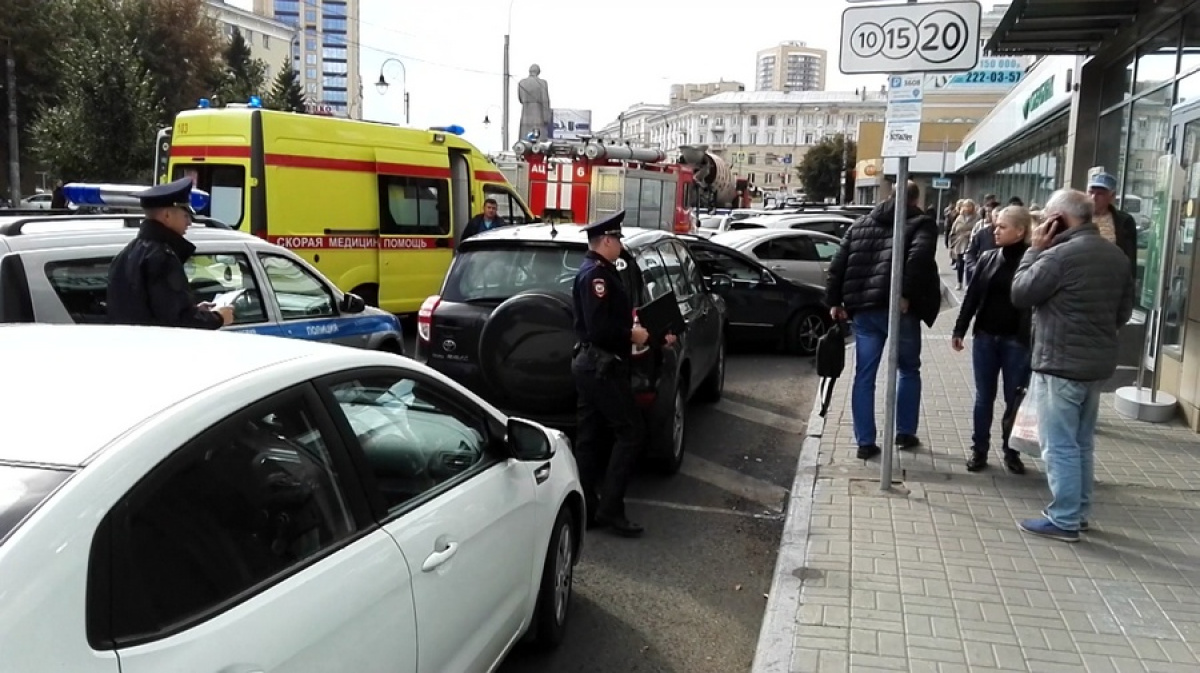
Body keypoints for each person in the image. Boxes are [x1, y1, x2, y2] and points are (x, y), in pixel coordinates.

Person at [1011, 189, 1134, 543]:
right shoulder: (1116, 257)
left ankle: (1064, 518)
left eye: (1046, 217)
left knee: (1059, 444)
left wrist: (1034, 249)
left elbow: (1020, 292)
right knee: (1081, 443)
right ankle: (1078, 512)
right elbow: (1123, 313)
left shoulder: (1058, 257)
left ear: (1058, 220)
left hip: (1060, 364)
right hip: (1095, 365)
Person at [570, 210, 673, 537]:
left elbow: (612, 320)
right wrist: (634, 336)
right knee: (630, 433)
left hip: (592, 364)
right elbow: (602, 328)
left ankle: (587, 506)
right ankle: (611, 510)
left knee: (589, 438)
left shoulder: (598, 270)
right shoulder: (596, 276)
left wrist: (653, 336)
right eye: (617, 240)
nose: (620, 246)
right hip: (601, 366)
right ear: (606, 241)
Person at [826, 180, 941, 460]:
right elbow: (919, 258)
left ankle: (865, 442)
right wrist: (905, 293)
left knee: (864, 375)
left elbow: (837, 263)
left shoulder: (861, 223)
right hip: (898, 309)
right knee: (908, 368)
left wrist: (834, 301)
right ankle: (904, 432)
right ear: (915, 200)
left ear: (889, 196)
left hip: (864, 309)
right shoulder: (922, 224)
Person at [951, 205, 1033, 475]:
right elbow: (972, 296)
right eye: (995, 225)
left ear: (1020, 231)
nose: (994, 231)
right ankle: (979, 450)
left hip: (1016, 342)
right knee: (984, 397)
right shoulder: (988, 258)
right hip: (986, 337)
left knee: (1014, 399)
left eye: (1002, 227)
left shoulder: (1034, 260)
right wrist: (959, 330)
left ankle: (1011, 451)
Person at [107, 177, 234, 329]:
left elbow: (154, 311)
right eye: (185, 215)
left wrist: (194, 310)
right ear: (167, 215)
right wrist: (218, 317)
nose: (189, 223)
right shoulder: (162, 258)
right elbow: (177, 321)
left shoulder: (127, 253)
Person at [1086, 172, 1139, 278]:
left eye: (1100, 193)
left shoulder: (1124, 221)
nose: (1093, 197)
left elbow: (1130, 257)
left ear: (1112, 196)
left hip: (1111, 278)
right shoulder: (1077, 216)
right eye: (1091, 192)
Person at [948, 199, 980, 291]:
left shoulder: (977, 217)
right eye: (965, 206)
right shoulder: (959, 218)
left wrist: (970, 233)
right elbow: (953, 231)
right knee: (960, 264)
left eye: (969, 206)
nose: (966, 208)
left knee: (970, 264)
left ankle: (969, 283)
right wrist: (953, 242)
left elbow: (979, 230)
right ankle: (959, 282)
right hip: (960, 243)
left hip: (971, 244)